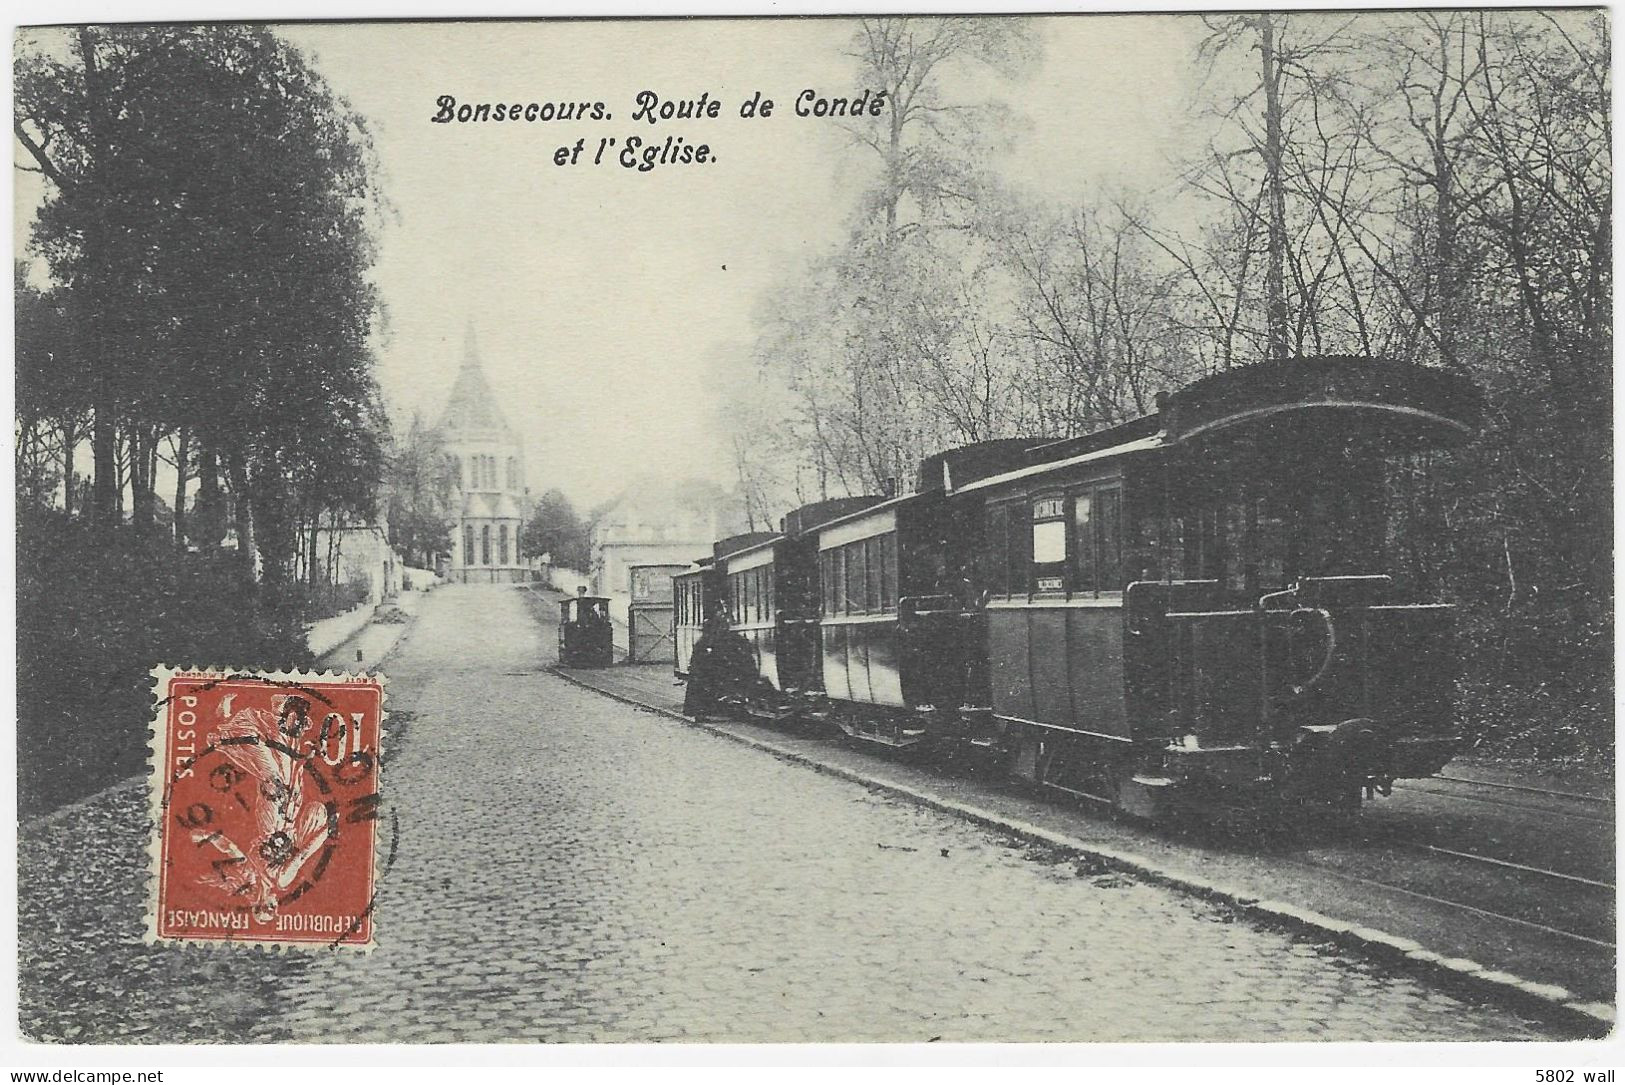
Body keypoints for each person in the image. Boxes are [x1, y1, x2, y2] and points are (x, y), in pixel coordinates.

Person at [682, 603, 758, 718]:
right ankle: (700, 713)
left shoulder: (704, 641)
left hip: (701, 670)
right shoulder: (708, 641)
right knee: (702, 689)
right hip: (703, 671)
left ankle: (701, 711)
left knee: (701, 689)